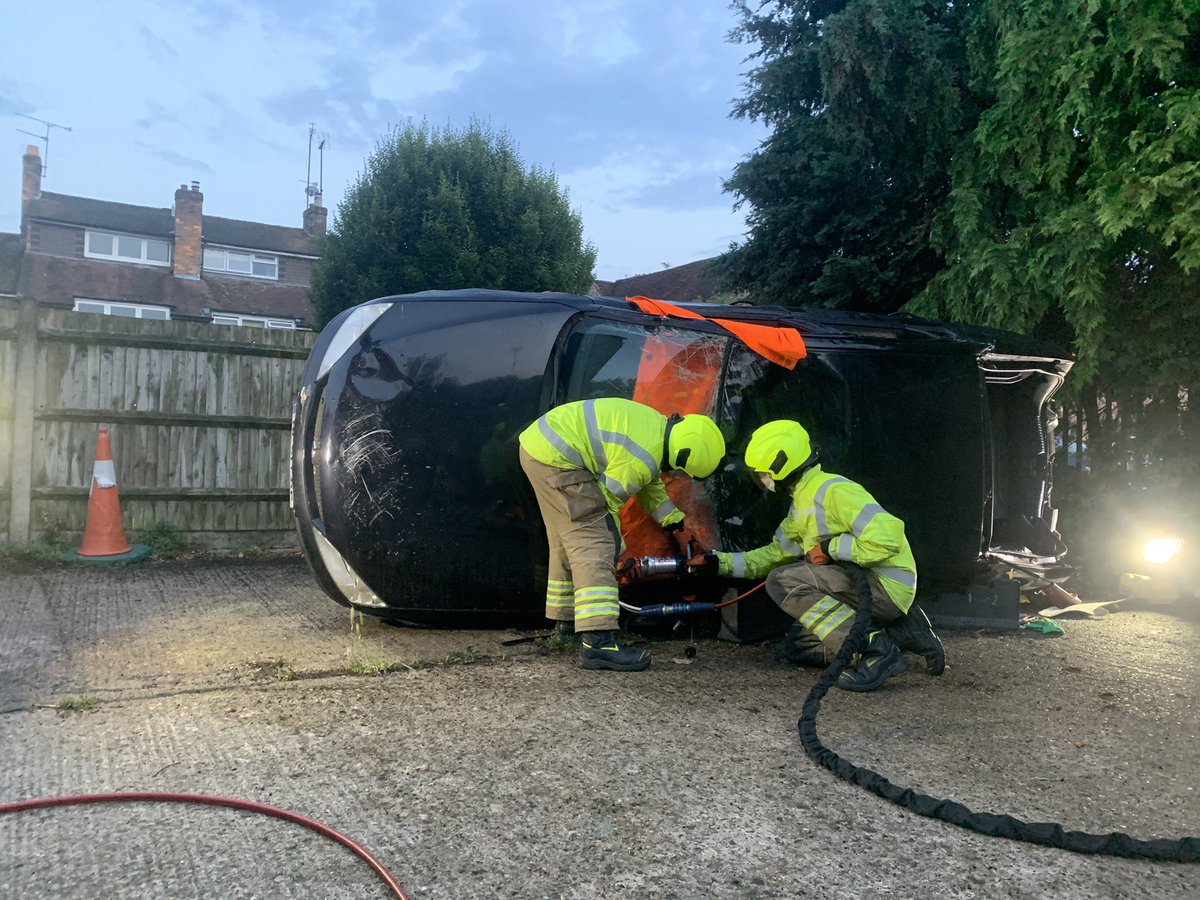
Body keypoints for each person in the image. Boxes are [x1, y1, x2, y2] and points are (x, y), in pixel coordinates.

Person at [692, 420, 944, 692]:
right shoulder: (802, 505)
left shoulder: (833, 491)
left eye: (761, 474)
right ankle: (902, 631)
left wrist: (829, 549)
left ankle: (875, 650)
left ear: (779, 467)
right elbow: (772, 555)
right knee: (800, 647)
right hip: (876, 592)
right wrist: (718, 563)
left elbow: (889, 538)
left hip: (886, 587)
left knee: (781, 581)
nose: (760, 480)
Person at [518, 398, 725, 671]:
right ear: (681, 457)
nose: (675, 474)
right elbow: (606, 504)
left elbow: (649, 487)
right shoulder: (642, 457)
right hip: (558, 458)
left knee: (568, 540)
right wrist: (621, 552)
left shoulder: (654, 431)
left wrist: (676, 526)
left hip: (541, 448)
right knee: (595, 544)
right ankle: (598, 643)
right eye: (680, 470)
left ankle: (567, 625)